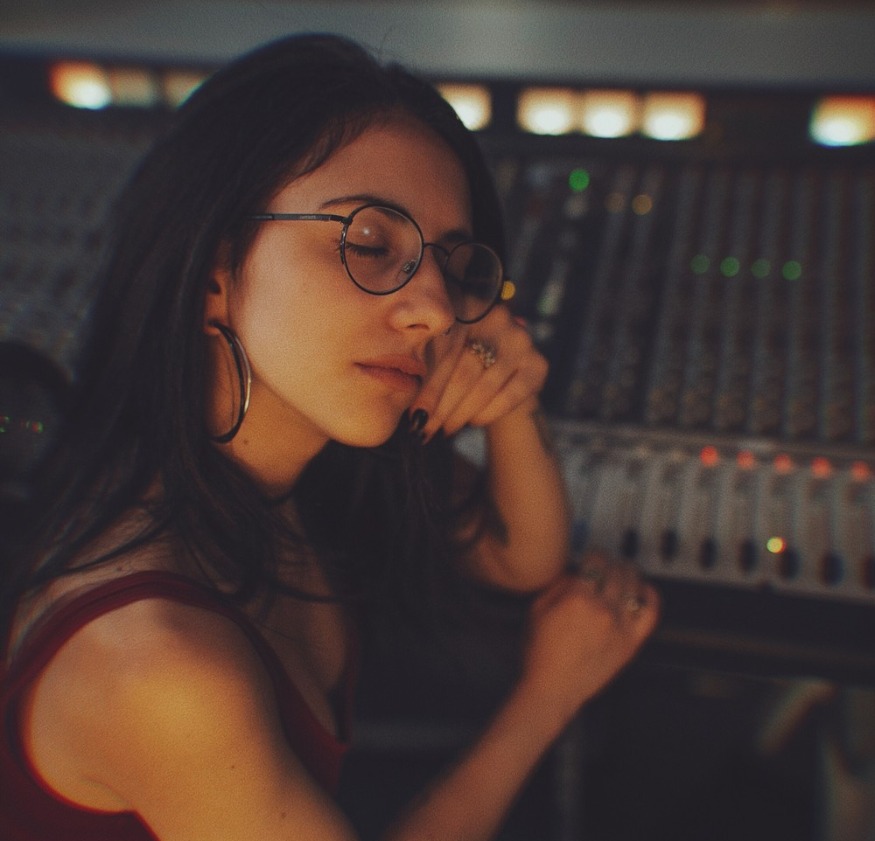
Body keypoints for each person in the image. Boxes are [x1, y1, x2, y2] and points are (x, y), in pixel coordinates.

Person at [0, 33, 659, 841]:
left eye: (453, 268)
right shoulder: (162, 665)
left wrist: (509, 392)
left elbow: (519, 557)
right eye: (368, 244)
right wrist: (547, 699)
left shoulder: (289, 461)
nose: (435, 309)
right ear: (214, 275)